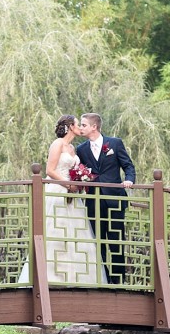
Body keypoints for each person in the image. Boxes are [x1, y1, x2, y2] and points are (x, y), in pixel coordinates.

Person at [18, 115, 104, 285]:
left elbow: (75, 169)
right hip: (58, 191)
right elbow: (50, 170)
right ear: (71, 126)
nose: (80, 127)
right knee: (56, 233)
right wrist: (67, 185)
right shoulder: (57, 144)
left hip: (73, 195)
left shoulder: (73, 147)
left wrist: (79, 182)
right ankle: (50, 277)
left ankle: (77, 277)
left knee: (75, 234)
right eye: (78, 124)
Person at [75, 112, 136, 285]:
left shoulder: (115, 144)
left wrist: (129, 180)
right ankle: (104, 279)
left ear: (94, 126)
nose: (81, 128)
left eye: (84, 125)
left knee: (116, 241)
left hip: (115, 200)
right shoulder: (81, 149)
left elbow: (128, 165)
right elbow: (79, 172)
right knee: (97, 241)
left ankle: (118, 281)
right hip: (93, 202)